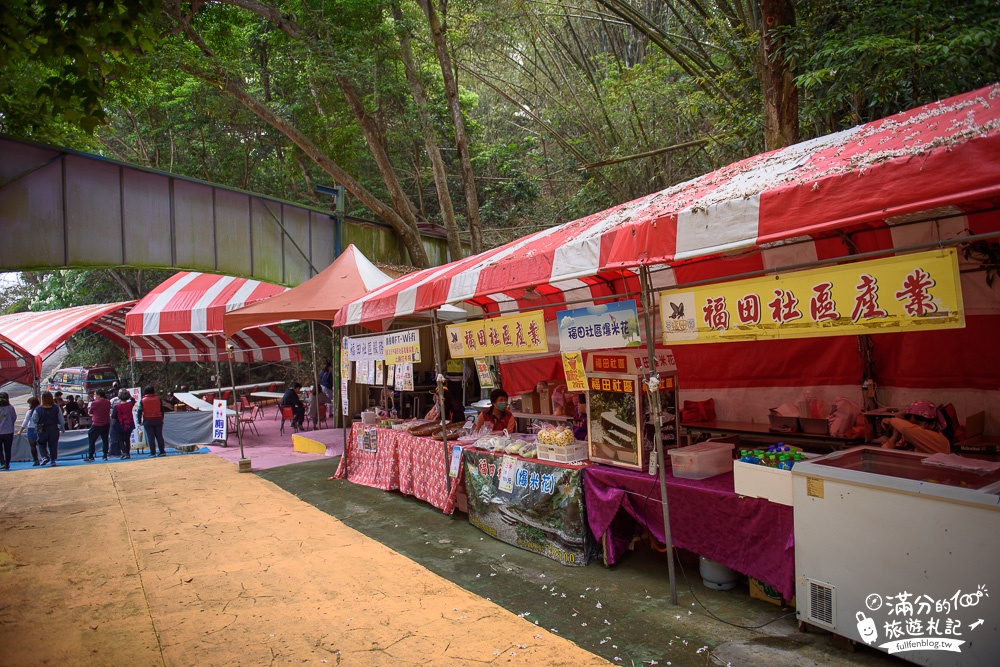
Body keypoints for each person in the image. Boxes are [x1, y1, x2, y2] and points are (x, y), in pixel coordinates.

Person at [882, 400, 950, 454]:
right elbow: (883, 455)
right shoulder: (906, 440)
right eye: (909, 423)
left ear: (931, 424)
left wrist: (889, 420)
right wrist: (894, 437)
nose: (912, 426)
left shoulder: (940, 441)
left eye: (917, 423)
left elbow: (906, 429)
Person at [137, 386, 172, 457]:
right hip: (158, 419)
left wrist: (139, 420)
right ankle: (162, 451)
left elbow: (139, 411)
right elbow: (162, 409)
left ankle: (153, 452)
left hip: (148, 420)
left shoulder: (143, 400)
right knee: (159, 436)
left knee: (151, 437)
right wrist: (162, 418)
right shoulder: (158, 399)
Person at [34, 391, 65, 466]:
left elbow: (35, 419)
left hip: (42, 428)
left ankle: (44, 456)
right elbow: (60, 418)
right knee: (53, 444)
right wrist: (62, 427)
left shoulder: (38, 408)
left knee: (40, 442)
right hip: (54, 427)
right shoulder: (56, 407)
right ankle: (53, 460)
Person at [85, 389, 113, 461]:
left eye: (95, 394)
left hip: (96, 423)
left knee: (92, 439)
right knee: (105, 439)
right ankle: (105, 455)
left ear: (98, 395)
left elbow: (90, 412)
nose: (94, 396)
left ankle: (91, 455)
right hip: (106, 423)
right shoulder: (108, 402)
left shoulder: (94, 403)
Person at [110, 390, 137, 459]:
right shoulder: (130, 404)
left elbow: (113, 416)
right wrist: (129, 394)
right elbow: (133, 400)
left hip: (120, 424)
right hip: (129, 423)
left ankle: (124, 452)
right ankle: (128, 452)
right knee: (127, 439)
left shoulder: (117, 406)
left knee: (121, 439)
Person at [17, 396, 42, 466]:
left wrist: (20, 430)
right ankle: (45, 457)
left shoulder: (29, 411)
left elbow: (26, 421)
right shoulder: (41, 409)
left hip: (31, 428)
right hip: (40, 428)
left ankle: (36, 460)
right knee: (41, 445)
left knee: (33, 446)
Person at [0, 392, 16, 470]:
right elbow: (14, 418)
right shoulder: (10, 408)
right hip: (9, 431)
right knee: (8, 449)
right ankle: (7, 463)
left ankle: (2, 463)